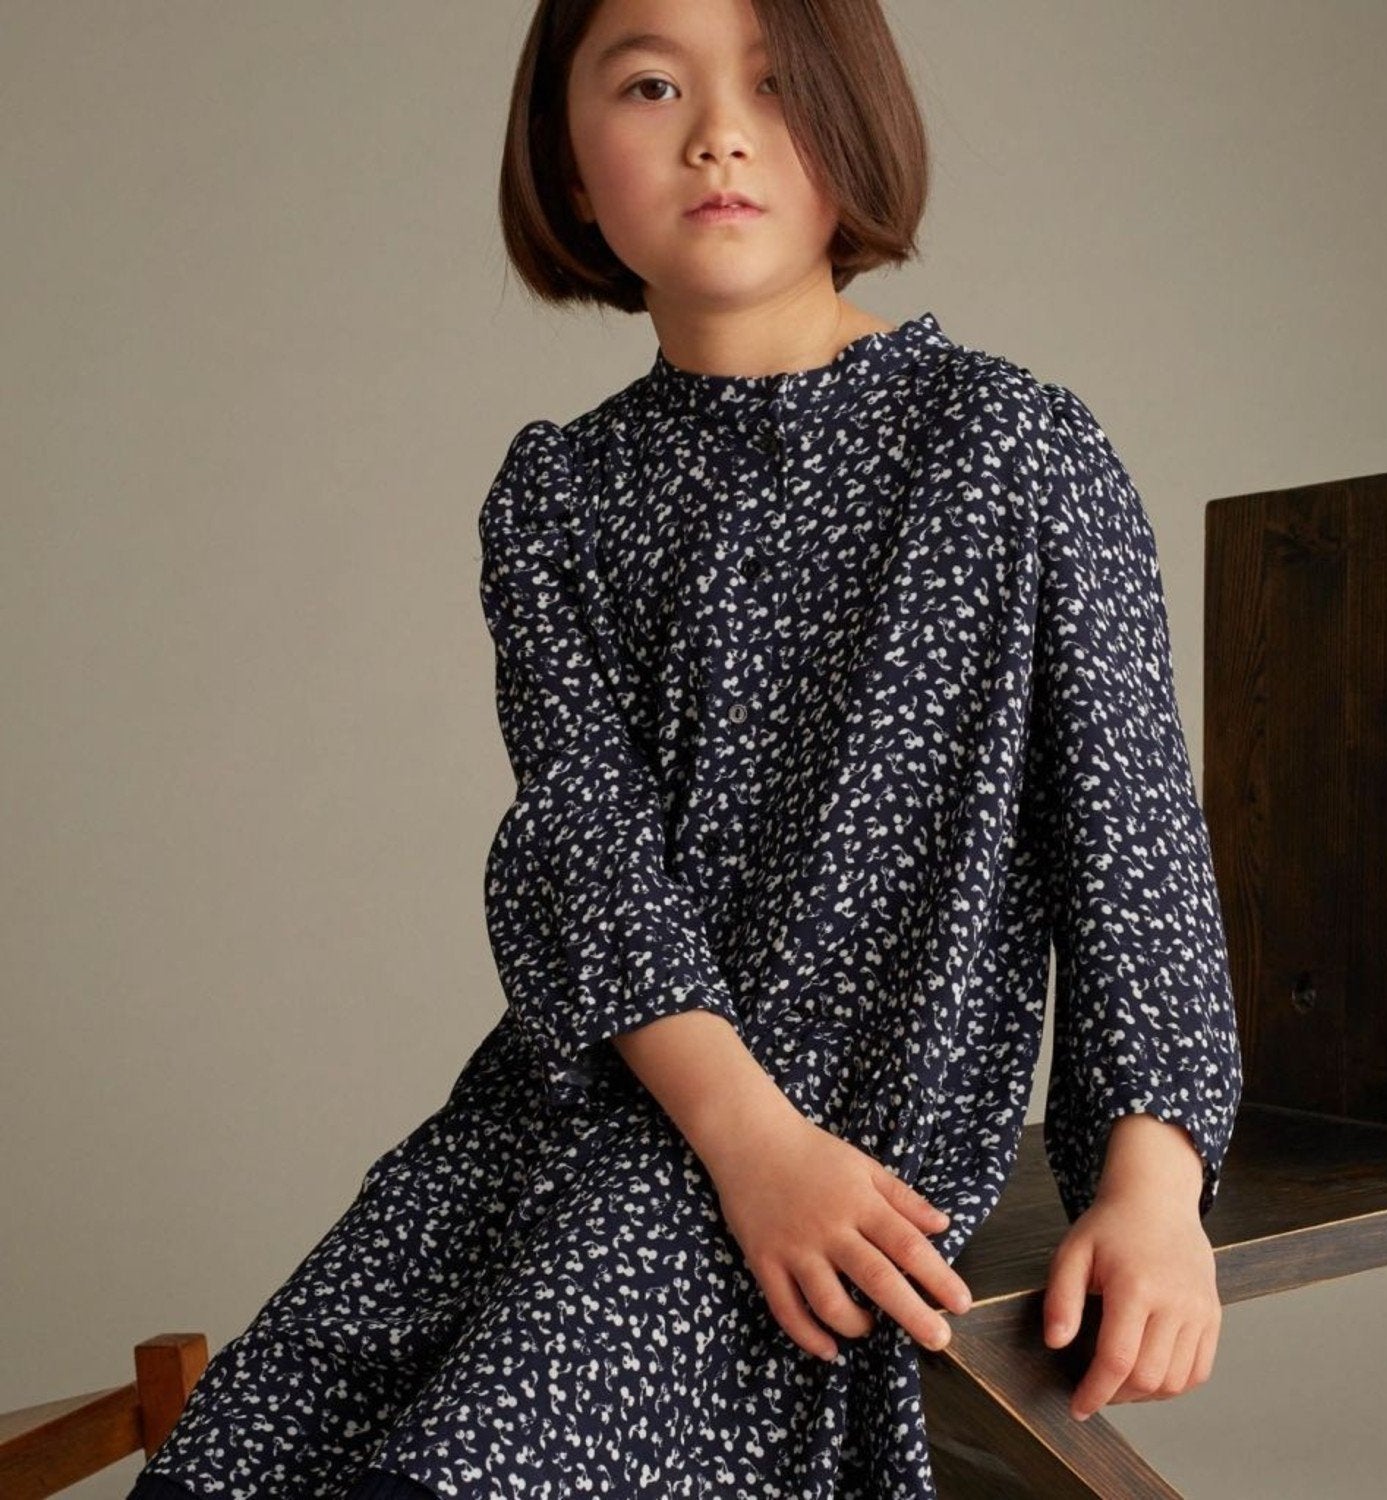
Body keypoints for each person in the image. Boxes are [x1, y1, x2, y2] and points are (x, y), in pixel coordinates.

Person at [127, 1, 1244, 1496]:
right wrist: (742, 1140)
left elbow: (1134, 840)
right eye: (652, 85)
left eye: (776, 87)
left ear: (857, 125)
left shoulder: (1011, 450)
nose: (718, 132)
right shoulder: (559, 495)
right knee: (270, 1429)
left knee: (471, 1454)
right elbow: (582, 844)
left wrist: (1157, 1188)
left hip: (849, 1119)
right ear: (568, 166)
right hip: (597, 1093)